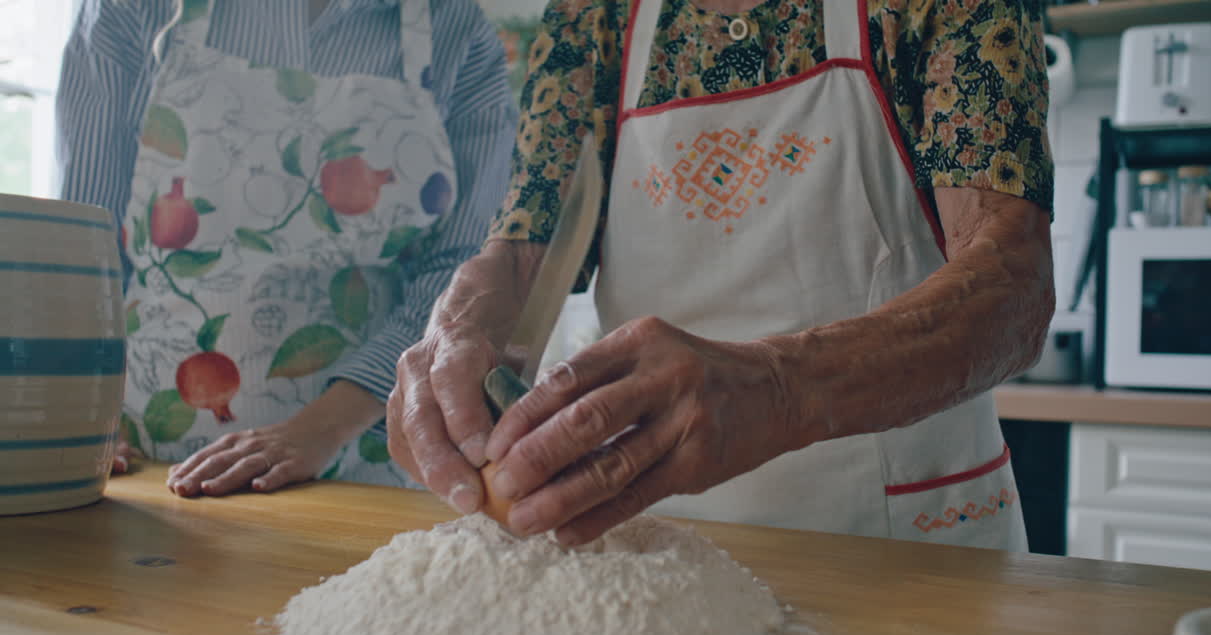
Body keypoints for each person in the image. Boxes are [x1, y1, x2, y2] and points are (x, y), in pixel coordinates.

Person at [387, 0, 1056, 551]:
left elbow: (1012, 286)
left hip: (905, 543)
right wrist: (457, 331)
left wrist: (779, 389)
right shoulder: (593, 16)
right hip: (659, 549)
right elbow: (522, 251)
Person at [57, 0, 515, 493]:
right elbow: (81, 243)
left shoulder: (456, 31)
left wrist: (317, 431)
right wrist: (79, 409)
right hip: (143, 459)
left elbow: (458, 276)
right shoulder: (128, 9)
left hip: (367, 472)